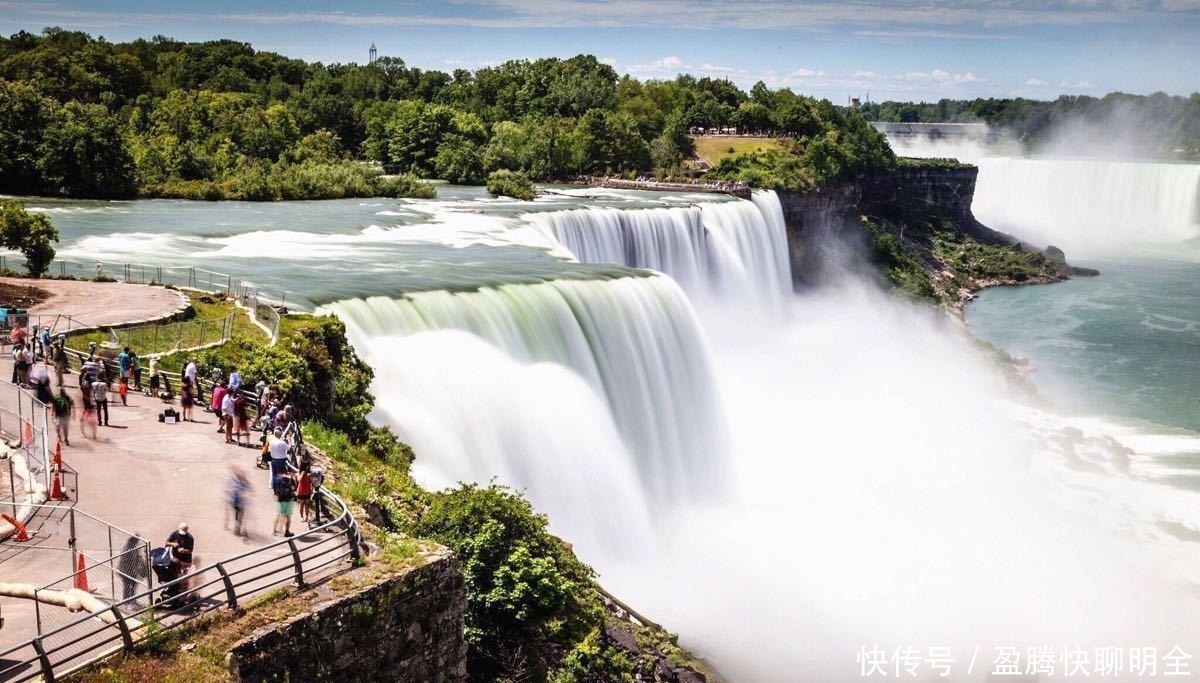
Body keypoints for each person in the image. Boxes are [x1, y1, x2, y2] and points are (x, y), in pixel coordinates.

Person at [117, 535, 149, 601]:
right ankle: (126, 601)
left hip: (132, 572)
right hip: (126, 571)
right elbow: (127, 562)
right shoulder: (127, 549)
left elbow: (139, 559)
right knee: (127, 586)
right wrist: (133, 570)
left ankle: (132, 600)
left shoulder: (134, 548)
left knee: (133, 586)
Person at [224, 466, 250, 537]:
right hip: (237, 503)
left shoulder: (239, 481)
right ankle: (237, 530)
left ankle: (238, 529)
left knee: (239, 517)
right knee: (239, 517)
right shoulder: (238, 482)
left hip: (238, 502)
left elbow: (249, 489)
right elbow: (232, 491)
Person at [272, 471, 296, 537]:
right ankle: (287, 531)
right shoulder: (291, 480)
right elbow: (293, 489)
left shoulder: (278, 479)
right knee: (288, 517)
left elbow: (276, 490)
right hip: (288, 499)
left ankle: (274, 530)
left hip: (281, 499)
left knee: (279, 514)